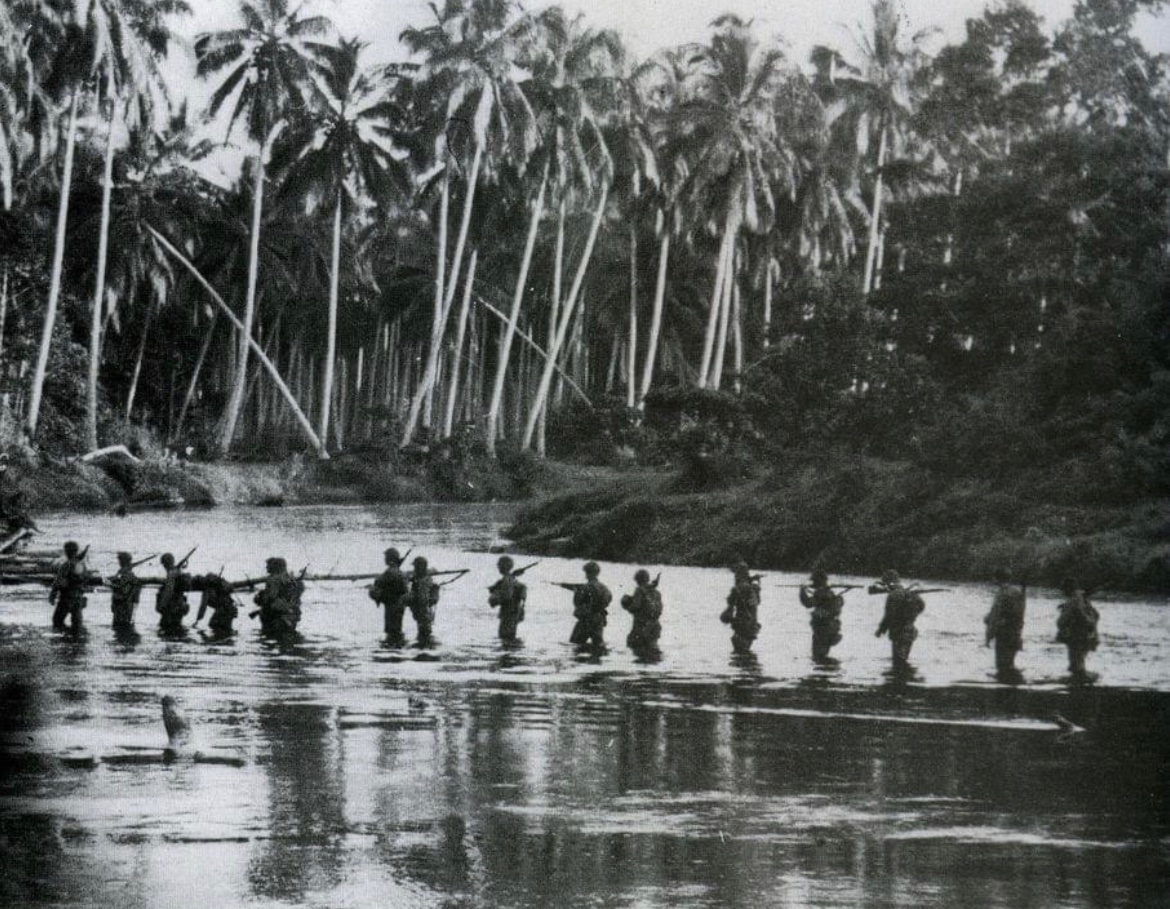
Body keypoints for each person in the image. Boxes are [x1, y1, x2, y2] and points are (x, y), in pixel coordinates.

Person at [873, 570, 925, 670]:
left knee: (897, 663)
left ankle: (898, 683)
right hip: (910, 631)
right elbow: (922, 606)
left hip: (898, 632)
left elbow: (889, 615)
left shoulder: (893, 595)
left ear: (888, 583)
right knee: (903, 660)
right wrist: (910, 617)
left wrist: (881, 630)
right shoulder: (910, 593)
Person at [984, 569, 1026, 677]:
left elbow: (996, 616)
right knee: (1010, 662)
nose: (992, 580)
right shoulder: (1017, 591)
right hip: (1016, 632)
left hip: (1004, 634)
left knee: (1002, 665)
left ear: (997, 579)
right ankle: (1012, 686)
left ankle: (1004, 688)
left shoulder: (1002, 594)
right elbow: (1019, 613)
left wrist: (988, 636)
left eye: (994, 578)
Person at [1056, 577, 1099, 677]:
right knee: (1077, 663)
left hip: (1077, 636)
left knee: (1076, 665)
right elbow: (1093, 615)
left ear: (1068, 588)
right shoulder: (1081, 599)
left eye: (1063, 589)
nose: (1063, 592)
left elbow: (1063, 620)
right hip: (1085, 636)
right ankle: (1083, 682)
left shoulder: (1074, 600)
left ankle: (1079, 684)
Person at [800, 570, 844, 662]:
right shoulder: (830, 593)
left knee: (818, 655)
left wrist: (802, 591)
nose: (813, 583)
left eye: (815, 581)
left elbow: (808, 603)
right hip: (830, 628)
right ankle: (824, 672)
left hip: (822, 628)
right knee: (822, 654)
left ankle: (821, 673)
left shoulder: (820, 593)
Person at [253, 557, 304, 636]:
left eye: (268, 565)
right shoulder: (291, 579)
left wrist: (259, 598)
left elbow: (270, 597)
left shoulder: (273, 579)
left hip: (275, 616)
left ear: (275, 566)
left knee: (270, 638)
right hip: (292, 616)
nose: (266, 567)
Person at [370, 547, 409, 645]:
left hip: (392, 605)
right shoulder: (400, 572)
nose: (384, 559)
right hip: (399, 606)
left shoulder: (390, 572)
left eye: (386, 557)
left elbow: (379, 582)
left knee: (392, 632)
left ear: (390, 558)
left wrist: (373, 590)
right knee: (396, 630)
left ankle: (393, 648)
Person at [721, 562, 761, 654]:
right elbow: (757, 602)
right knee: (747, 656)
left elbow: (729, 606)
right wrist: (756, 582)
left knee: (738, 656)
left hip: (741, 628)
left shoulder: (737, 588)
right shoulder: (754, 588)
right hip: (752, 629)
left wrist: (728, 618)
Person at [570, 561, 611, 650]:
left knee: (575, 644)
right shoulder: (604, 587)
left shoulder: (585, 587)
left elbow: (577, 602)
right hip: (599, 619)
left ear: (587, 573)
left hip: (586, 620)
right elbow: (608, 600)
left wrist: (576, 592)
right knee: (598, 645)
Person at [49, 541, 89, 631]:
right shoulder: (82, 565)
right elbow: (86, 580)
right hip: (79, 597)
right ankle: (76, 641)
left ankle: (65, 640)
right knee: (77, 623)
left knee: (57, 621)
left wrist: (52, 595)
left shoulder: (66, 565)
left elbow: (58, 582)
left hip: (66, 597)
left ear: (67, 551)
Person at [621, 569, 663, 654]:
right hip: (655, 626)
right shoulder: (657, 592)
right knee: (653, 648)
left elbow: (636, 606)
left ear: (638, 580)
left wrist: (627, 606)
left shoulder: (639, 590)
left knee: (635, 647)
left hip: (641, 626)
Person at [488, 555, 527, 643]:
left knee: (505, 638)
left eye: (499, 564)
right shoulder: (511, 579)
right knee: (510, 638)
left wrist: (495, 599)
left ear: (503, 566)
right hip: (513, 613)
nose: (497, 566)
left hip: (508, 613)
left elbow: (507, 596)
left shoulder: (507, 580)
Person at [406, 555, 441, 645]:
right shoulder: (423, 580)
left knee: (423, 639)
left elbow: (422, 599)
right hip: (424, 617)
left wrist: (408, 596)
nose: (414, 569)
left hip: (423, 617)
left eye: (416, 567)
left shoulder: (423, 583)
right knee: (425, 637)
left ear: (420, 567)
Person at [155, 552, 191, 634]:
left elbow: (169, 590)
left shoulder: (171, 573)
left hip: (171, 608)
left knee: (166, 629)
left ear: (164, 563)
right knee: (177, 628)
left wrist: (162, 606)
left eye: (163, 564)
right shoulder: (178, 571)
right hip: (180, 605)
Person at [108, 551, 142, 630]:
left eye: (120, 560)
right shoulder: (125, 574)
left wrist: (110, 584)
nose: (119, 562)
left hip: (122, 606)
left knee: (121, 627)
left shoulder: (126, 575)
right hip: (126, 606)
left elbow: (122, 590)